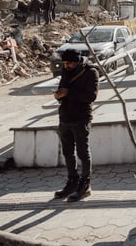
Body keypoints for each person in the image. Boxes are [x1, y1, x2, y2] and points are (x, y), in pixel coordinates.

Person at [53, 49, 99, 201]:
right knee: (67, 152)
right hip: (65, 117)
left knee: (83, 153)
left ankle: (85, 185)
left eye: (70, 63)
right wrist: (59, 95)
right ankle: (72, 181)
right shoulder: (66, 71)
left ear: (78, 61)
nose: (67, 66)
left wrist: (68, 93)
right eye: (64, 63)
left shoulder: (91, 72)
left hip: (81, 118)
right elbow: (62, 88)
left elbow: (91, 96)